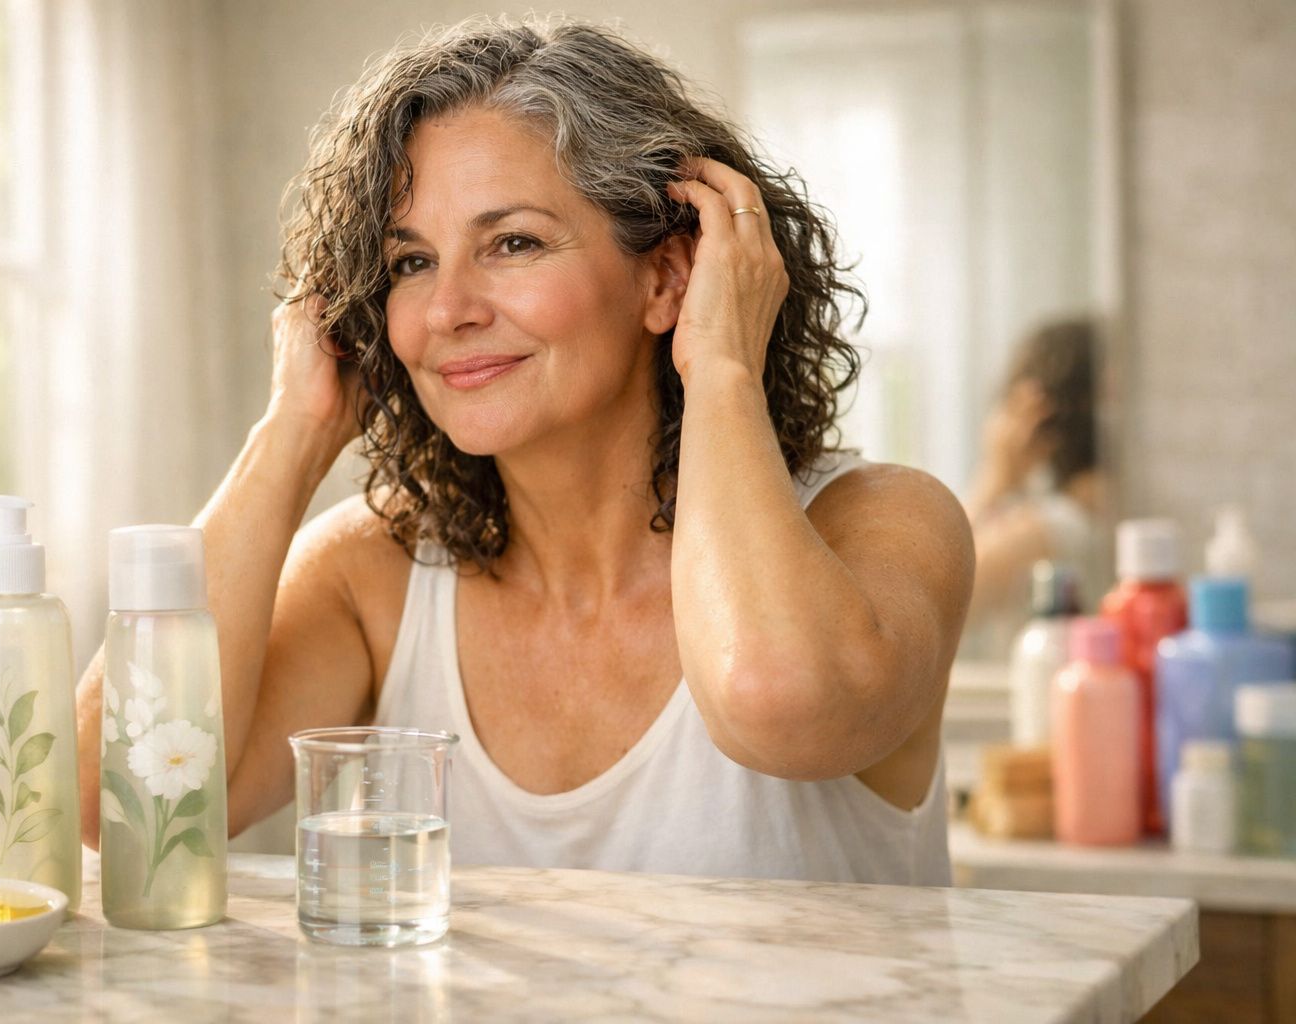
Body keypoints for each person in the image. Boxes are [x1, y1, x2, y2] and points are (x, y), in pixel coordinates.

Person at [77, 17, 974, 884]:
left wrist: (721, 364)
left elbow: (777, 700)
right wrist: (292, 431)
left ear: (668, 277)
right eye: (411, 263)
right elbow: (119, 806)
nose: (447, 311)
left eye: (512, 243)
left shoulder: (883, 523)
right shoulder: (377, 574)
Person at [963, 319, 1104, 657]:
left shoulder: (1056, 524)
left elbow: (930, 595)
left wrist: (993, 478)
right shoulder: (1094, 508)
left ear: (1037, 412)